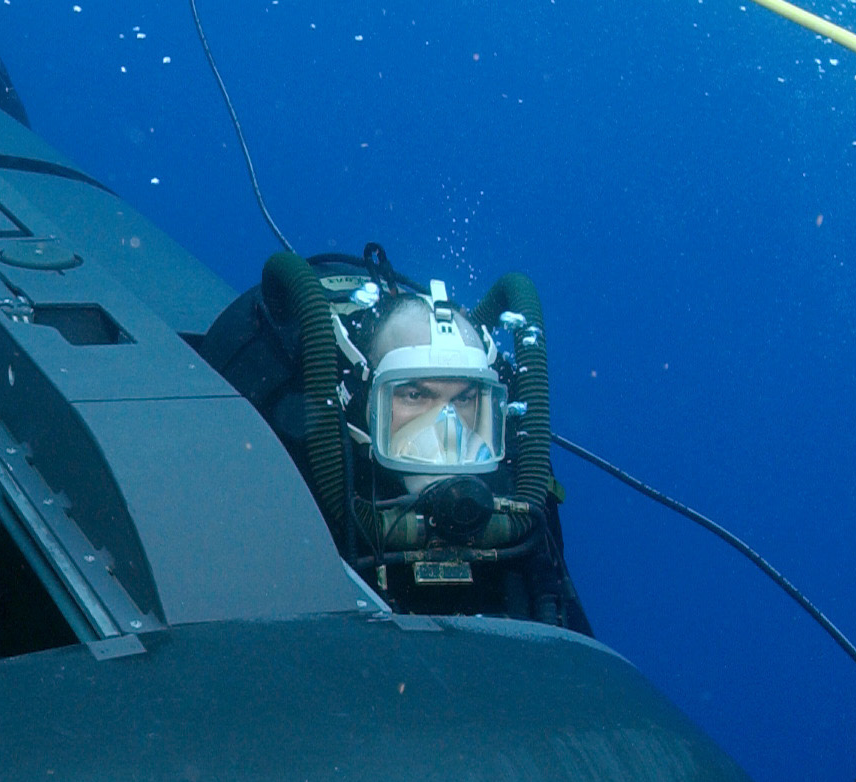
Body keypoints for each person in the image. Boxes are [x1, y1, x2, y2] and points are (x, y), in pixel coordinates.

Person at [197, 243, 591, 627]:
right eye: (416, 395)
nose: (445, 430)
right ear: (363, 400)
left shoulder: (516, 497)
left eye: (466, 397)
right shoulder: (316, 475)